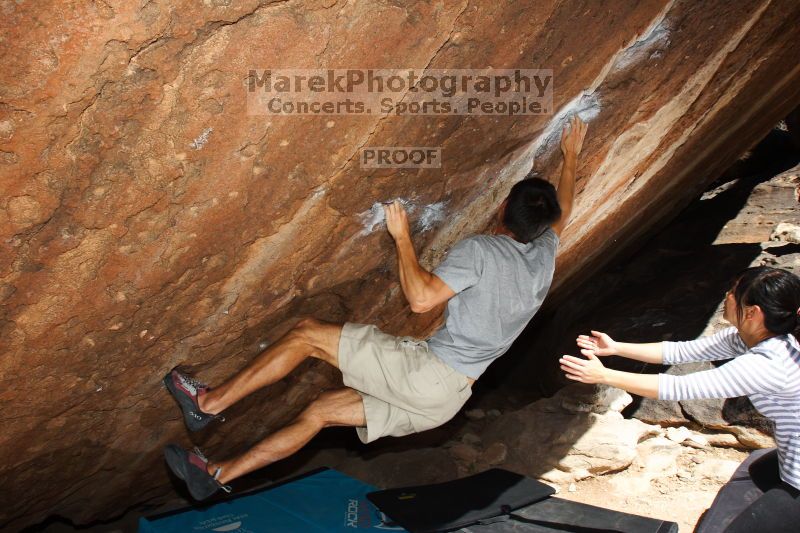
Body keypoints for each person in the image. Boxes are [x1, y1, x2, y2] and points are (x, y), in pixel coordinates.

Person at [162, 115, 588, 501]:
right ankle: (216, 472)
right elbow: (563, 212)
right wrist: (571, 159)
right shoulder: (544, 254)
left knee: (307, 335)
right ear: (541, 227)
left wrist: (402, 238)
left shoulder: (483, 249)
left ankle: (208, 404)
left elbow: (421, 300)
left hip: (428, 375)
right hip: (448, 400)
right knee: (321, 412)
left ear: (501, 210)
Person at [560, 266, 800, 532]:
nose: (727, 295)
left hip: (797, 478)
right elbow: (680, 351)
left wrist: (604, 375)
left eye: (734, 292)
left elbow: (677, 387)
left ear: (753, 313)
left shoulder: (768, 364)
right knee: (749, 475)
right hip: (789, 456)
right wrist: (616, 347)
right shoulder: (753, 340)